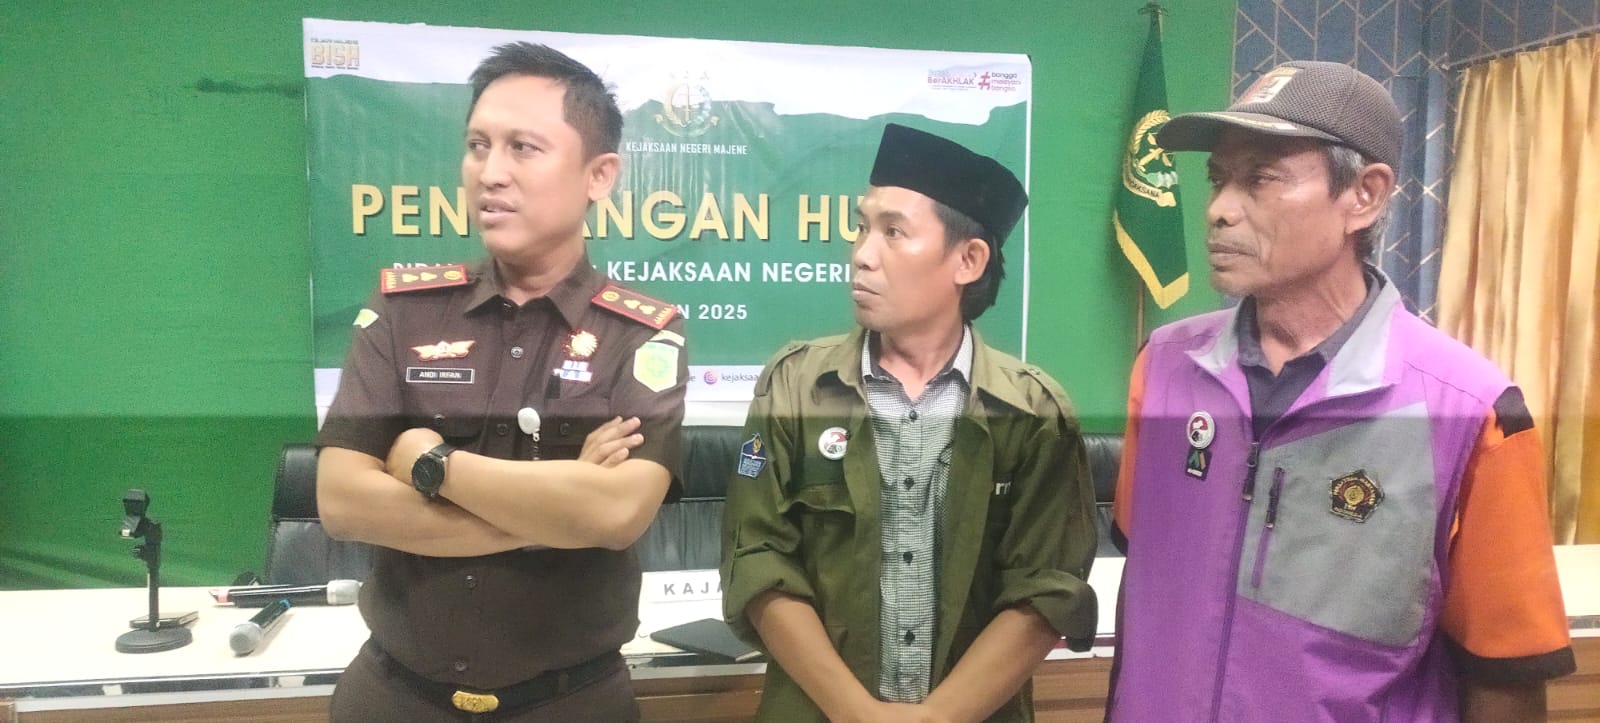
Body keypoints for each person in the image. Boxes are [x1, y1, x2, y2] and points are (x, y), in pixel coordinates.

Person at [1107, 61, 1575, 722]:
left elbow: (1507, 677)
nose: (1218, 209)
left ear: (1365, 194)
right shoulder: (1162, 368)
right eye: (1217, 178)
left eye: (1260, 178)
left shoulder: (1473, 412)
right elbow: (1144, 595)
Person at [315, 42, 688, 722]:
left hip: (571, 704)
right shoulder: (401, 312)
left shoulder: (640, 334)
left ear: (599, 175)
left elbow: (615, 515)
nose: (490, 173)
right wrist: (557, 509)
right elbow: (342, 501)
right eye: (477, 146)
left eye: (523, 148)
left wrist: (427, 462)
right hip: (395, 700)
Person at [720, 123, 1099, 722]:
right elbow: (758, 559)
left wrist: (935, 718)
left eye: (893, 232)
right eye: (862, 228)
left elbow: (1045, 593)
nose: (862, 254)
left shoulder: (1033, 413)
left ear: (968, 260)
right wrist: (858, 713)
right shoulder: (795, 386)